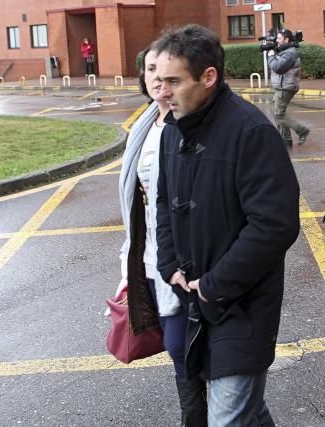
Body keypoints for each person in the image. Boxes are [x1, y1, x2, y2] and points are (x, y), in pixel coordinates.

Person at [154, 24, 300, 426]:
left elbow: (275, 225)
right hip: (193, 302)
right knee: (245, 413)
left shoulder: (251, 132)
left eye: (172, 81)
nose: (162, 91)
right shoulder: (172, 132)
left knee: (228, 419)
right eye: (158, 80)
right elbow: (164, 204)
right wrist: (169, 264)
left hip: (243, 307)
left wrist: (215, 284)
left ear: (208, 78)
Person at [116, 46, 205, 425]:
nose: (156, 77)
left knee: (189, 351)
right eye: (150, 68)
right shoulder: (144, 127)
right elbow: (138, 207)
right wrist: (128, 265)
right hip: (153, 257)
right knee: (179, 351)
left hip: (191, 261)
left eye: (165, 71)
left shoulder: (188, 127)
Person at [267, 29, 310, 148]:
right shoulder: (285, 50)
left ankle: (302, 131)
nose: (277, 41)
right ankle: (285, 140)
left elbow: (278, 67)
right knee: (278, 113)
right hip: (282, 85)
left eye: (279, 39)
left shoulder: (290, 53)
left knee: (279, 115)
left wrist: (270, 56)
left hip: (286, 87)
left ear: (286, 40)